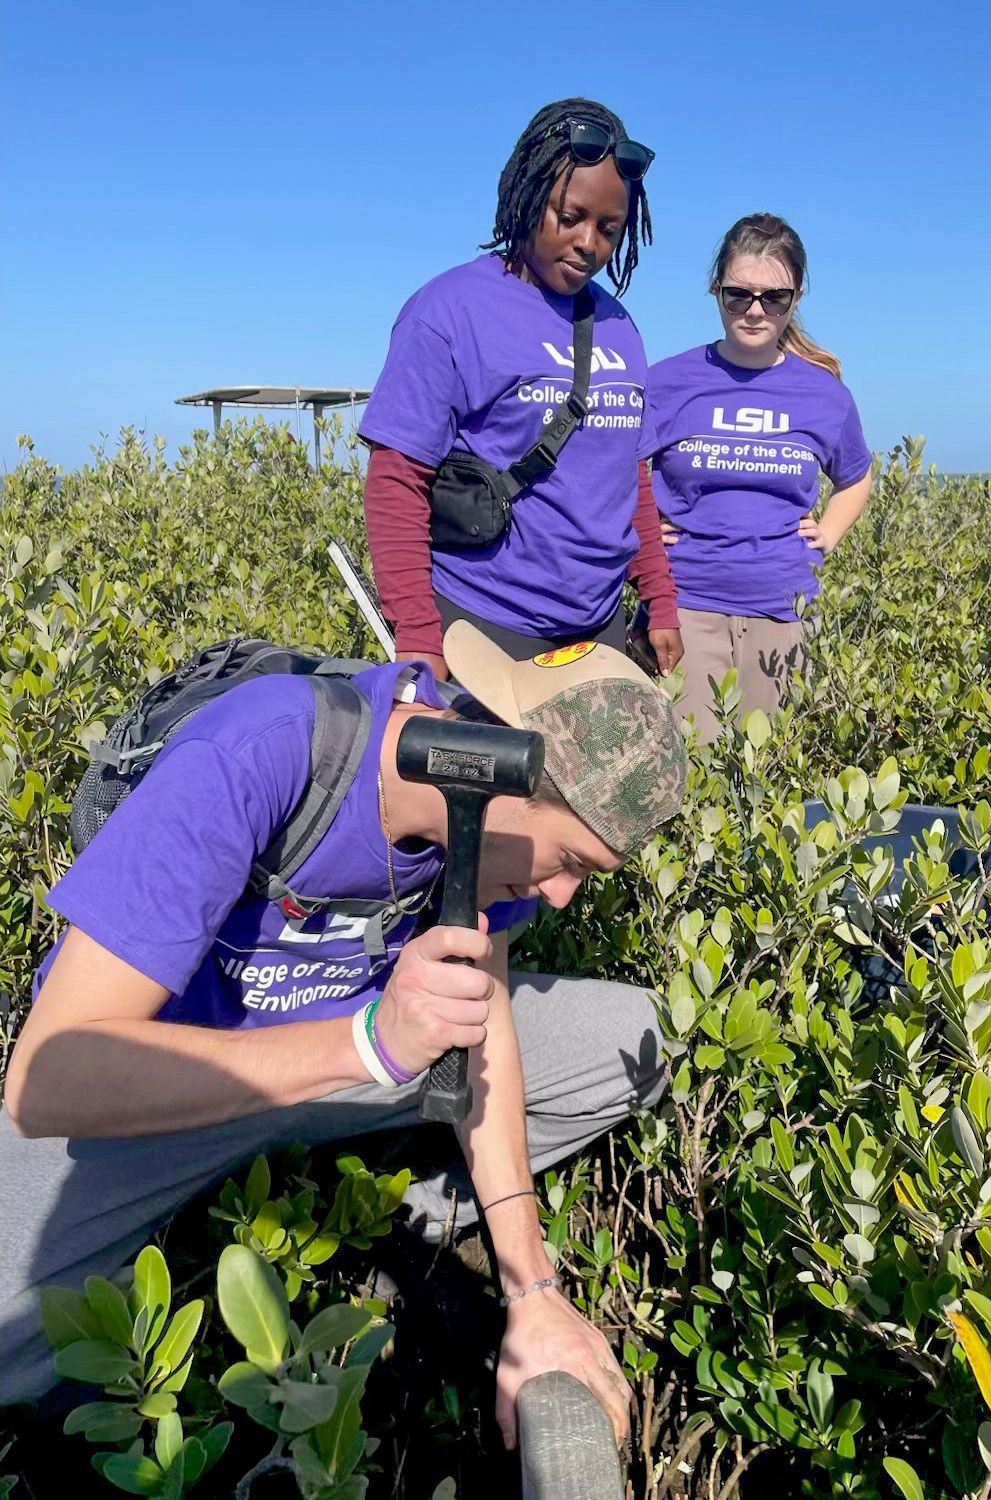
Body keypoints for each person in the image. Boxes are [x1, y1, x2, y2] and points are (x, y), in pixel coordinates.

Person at [0, 624, 687, 1453]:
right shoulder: (264, 748)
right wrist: (366, 1045)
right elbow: (46, 1079)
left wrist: (533, 1290)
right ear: (504, 770)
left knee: (638, 1037)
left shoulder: (485, 833)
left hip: (372, 1056)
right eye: (571, 858)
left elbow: (485, 1028)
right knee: (9, 1341)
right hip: (182, 1084)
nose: (566, 897)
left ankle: (375, 1206)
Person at [359, 97, 683, 678]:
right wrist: (417, 638)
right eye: (570, 216)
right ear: (528, 197)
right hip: (479, 631)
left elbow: (630, 478)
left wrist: (659, 598)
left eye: (610, 229)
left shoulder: (619, 327)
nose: (590, 243)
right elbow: (397, 480)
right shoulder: (448, 311)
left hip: (598, 635)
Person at [643, 213, 873, 741]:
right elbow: (612, 468)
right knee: (688, 775)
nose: (754, 310)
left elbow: (855, 476)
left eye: (774, 297)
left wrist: (830, 534)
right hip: (685, 605)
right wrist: (641, 532)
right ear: (715, 291)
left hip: (783, 611)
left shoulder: (823, 394)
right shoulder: (668, 382)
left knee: (769, 775)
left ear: (795, 299)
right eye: (738, 294)